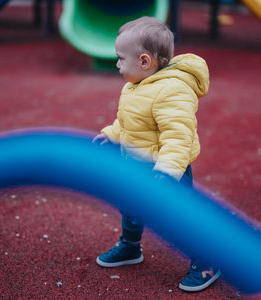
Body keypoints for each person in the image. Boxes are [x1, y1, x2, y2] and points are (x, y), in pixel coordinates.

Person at [93, 16, 220, 293]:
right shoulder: (137, 84)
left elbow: (178, 137)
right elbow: (129, 122)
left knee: (180, 218)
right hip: (135, 163)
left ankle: (207, 261)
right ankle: (130, 247)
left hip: (165, 170)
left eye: (120, 59)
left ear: (144, 61)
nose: (117, 65)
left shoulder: (172, 90)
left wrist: (166, 174)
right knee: (130, 207)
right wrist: (111, 134)